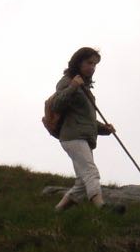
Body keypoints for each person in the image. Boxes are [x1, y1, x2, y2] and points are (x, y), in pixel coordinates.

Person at [51, 47, 125, 214]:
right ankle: (101, 207)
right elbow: (56, 105)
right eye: (89, 63)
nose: (92, 67)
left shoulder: (85, 88)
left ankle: (57, 211)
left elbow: (87, 121)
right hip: (72, 136)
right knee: (91, 171)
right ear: (78, 62)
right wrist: (73, 87)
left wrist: (105, 129)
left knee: (81, 182)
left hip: (82, 136)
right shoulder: (67, 81)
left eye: (95, 64)